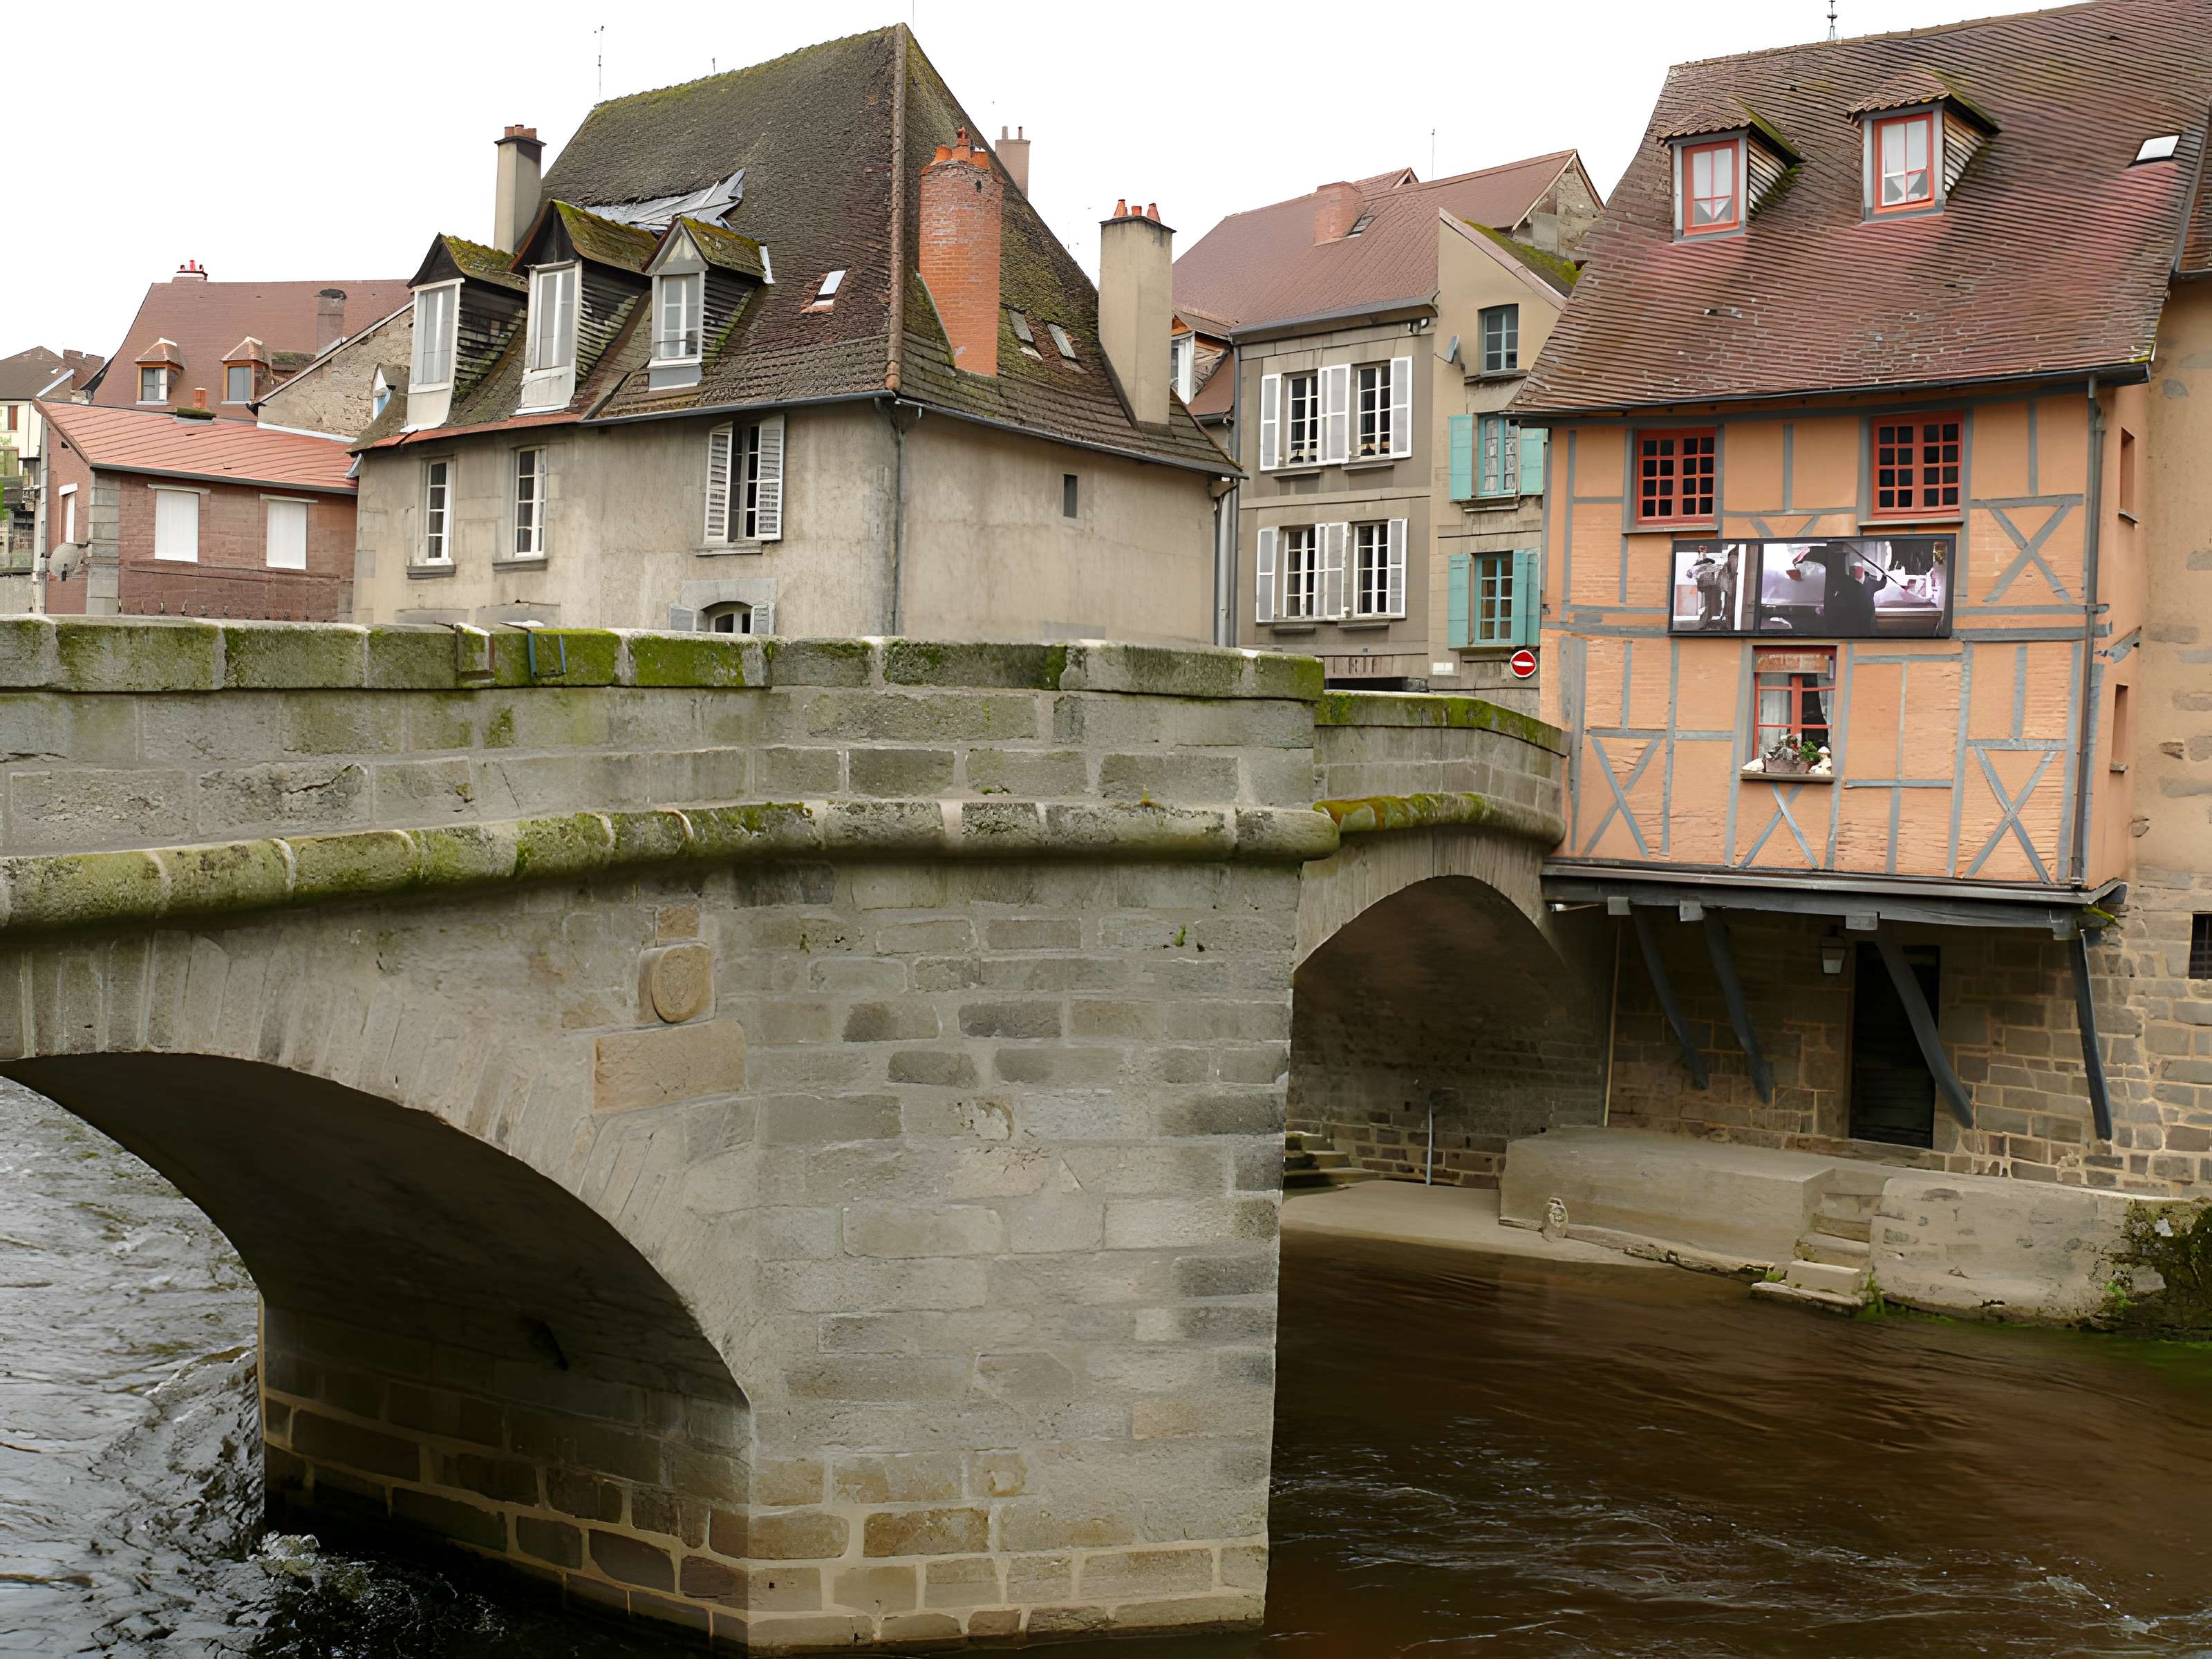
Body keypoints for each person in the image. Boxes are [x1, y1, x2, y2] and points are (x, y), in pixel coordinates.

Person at [1785, 542, 1882, 634]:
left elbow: (1881, 581)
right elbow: (1799, 562)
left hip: (1855, 623)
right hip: (1839, 619)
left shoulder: (1868, 569)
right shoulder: (1828, 555)